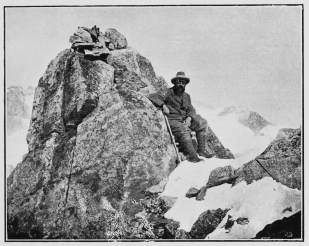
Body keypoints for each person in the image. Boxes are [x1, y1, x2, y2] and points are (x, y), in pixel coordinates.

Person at [148, 71, 215, 163]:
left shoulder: (187, 96)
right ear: (175, 82)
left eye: (183, 83)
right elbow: (153, 96)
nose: (180, 84)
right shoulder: (168, 92)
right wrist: (163, 105)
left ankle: (201, 150)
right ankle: (192, 155)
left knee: (202, 123)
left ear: (185, 84)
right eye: (179, 82)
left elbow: (191, 110)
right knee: (183, 129)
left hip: (184, 119)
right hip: (172, 120)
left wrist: (189, 118)